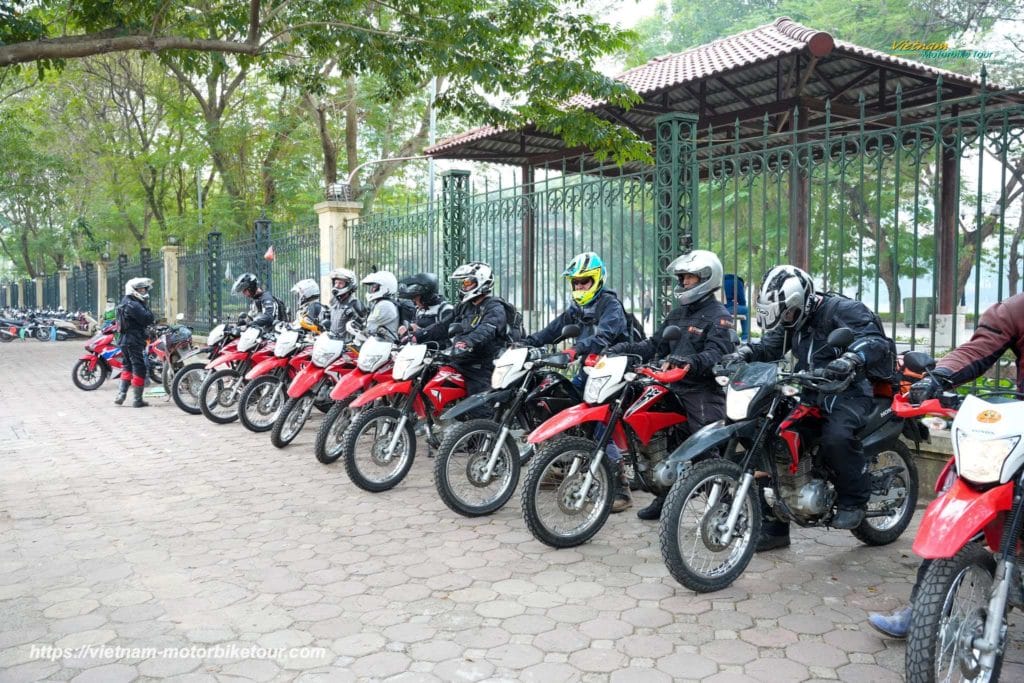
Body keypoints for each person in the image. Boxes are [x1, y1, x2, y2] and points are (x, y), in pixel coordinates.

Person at [868, 292, 1024, 638]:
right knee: (960, 487)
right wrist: (937, 378)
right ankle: (924, 608)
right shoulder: (1018, 308)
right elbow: (979, 348)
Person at [724, 265, 892, 548]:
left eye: (789, 313)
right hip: (811, 391)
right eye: (783, 315)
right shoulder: (792, 320)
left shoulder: (843, 310)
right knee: (772, 437)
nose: (786, 319)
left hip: (849, 391)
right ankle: (775, 528)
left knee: (836, 437)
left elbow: (875, 340)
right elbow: (769, 346)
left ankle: (854, 500)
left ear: (801, 301)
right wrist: (745, 352)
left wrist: (851, 359)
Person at [606, 250, 736, 519]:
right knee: (660, 443)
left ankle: (724, 505)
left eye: (690, 277)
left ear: (707, 279)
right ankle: (665, 497)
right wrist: (620, 349)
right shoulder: (678, 314)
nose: (685, 282)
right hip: (670, 388)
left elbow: (718, 352)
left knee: (704, 449)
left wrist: (689, 361)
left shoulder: (719, 315)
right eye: (683, 277)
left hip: (701, 390)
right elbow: (653, 345)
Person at [522, 252, 632, 511]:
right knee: (559, 408)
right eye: (576, 282)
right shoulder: (578, 308)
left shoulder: (610, 305)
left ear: (597, 280)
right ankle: (561, 466)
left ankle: (621, 487)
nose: (580, 286)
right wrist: (528, 342)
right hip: (590, 370)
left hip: (616, 369)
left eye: (585, 281)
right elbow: (553, 330)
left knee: (597, 424)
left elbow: (604, 336)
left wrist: (576, 350)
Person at [411, 262, 507, 400]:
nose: (464, 286)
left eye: (467, 283)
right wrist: (418, 336)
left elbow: (487, 329)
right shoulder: (465, 306)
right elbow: (442, 326)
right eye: (463, 283)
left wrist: (466, 342)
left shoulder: (494, 306)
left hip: (483, 362)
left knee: (476, 404)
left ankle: (484, 421)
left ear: (481, 282)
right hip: (463, 359)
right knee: (429, 376)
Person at [114, 277, 156, 408]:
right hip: (133, 340)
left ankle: (121, 395)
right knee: (139, 367)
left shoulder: (125, 302)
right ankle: (137, 400)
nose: (143, 291)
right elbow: (148, 318)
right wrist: (146, 306)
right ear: (133, 290)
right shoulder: (134, 304)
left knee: (127, 366)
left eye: (144, 289)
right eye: (141, 289)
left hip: (124, 340)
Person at [349, 271, 400, 344]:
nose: (372, 289)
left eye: (375, 287)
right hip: (379, 344)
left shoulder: (385, 305)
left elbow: (371, 326)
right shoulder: (381, 303)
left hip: (384, 345)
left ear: (385, 287)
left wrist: (358, 328)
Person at [326, 268, 365, 337]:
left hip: (347, 345)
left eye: (340, 283)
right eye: (336, 283)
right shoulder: (334, 301)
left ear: (349, 284)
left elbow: (364, 327)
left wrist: (355, 318)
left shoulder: (355, 303)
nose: (337, 286)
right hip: (333, 343)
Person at [723, 273, 749, 343]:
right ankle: (745, 337)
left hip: (717, 308)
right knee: (746, 310)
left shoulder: (720, 280)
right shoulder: (738, 282)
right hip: (729, 308)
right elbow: (742, 301)